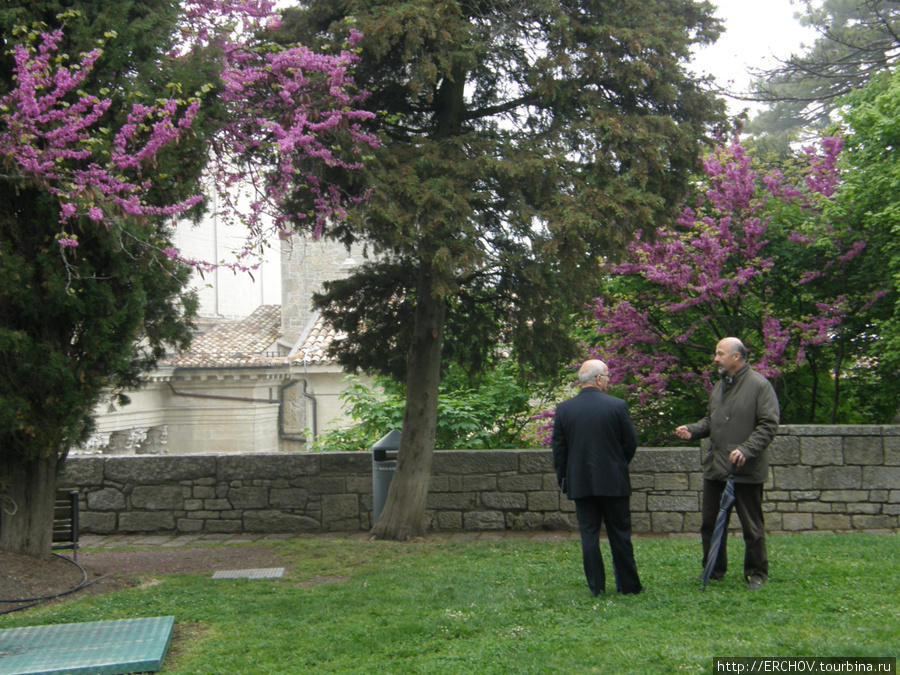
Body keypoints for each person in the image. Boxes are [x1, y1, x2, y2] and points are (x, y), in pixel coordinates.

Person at [675, 337, 780, 590]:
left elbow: (769, 425)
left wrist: (746, 449)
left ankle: (756, 573)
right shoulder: (719, 386)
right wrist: (693, 430)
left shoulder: (759, 386)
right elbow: (711, 420)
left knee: (751, 527)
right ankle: (713, 569)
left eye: (720, 354)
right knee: (710, 525)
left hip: (745, 471)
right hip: (716, 469)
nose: (715, 358)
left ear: (736, 357)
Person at [551, 359, 644, 596]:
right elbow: (630, 443)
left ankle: (596, 587)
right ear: (599, 379)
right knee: (620, 534)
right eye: (607, 377)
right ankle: (629, 585)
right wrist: (618, 464)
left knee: (589, 534)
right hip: (614, 480)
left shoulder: (564, 410)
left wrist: (564, 477)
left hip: (581, 482)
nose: (608, 381)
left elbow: (559, 450)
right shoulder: (617, 406)